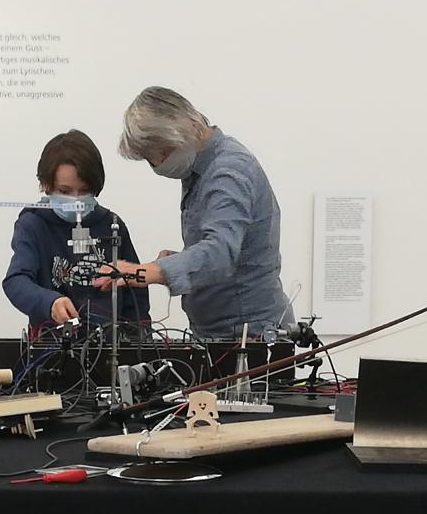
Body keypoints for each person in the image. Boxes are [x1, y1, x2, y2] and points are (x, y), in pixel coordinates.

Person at [100, 87, 294, 340]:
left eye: (164, 152)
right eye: (151, 159)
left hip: (247, 334)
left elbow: (220, 252)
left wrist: (146, 272)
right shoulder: (200, 170)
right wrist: (181, 259)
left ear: (191, 127)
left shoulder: (228, 171)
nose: (159, 164)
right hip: (219, 332)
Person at [2, 129, 148, 333]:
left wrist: (140, 340)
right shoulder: (33, 225)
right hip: (52, 343)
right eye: (65, 191)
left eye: (85, 191)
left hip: (109, 343)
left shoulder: (113, 226)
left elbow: (136, 295)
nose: (76, 200)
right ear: (46, 185)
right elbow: (16, 281)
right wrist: (50, 303)